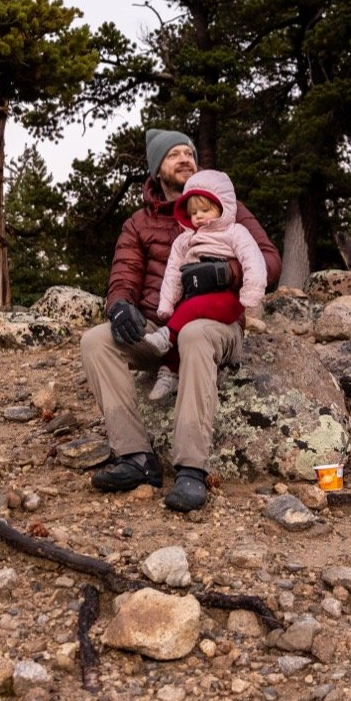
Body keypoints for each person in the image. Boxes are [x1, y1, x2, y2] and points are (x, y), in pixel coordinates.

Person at [79, 129, 280, 511]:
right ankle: (136, 458)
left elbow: (269, 260)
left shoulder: (227, 208)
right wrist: (120, 305)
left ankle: (191, 469)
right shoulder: (139, 224)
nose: (185, 158)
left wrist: (226, 273)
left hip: (217, 323)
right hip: (159, 328)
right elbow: (124, 276)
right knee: (96, 341)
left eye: (189, 151)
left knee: (194, 334)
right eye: (174, 154)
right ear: (157, 169)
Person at [147, 169, 267, 404]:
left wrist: (251, 292)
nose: (199, 217)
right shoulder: (184, 240)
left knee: (186, 317)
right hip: (192, 295)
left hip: (226, 298)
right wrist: (166, 304)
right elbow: (172, 273)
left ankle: (166, 335)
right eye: (193, 213)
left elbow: (254, 259)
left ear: (223, 207)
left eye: (205, 210)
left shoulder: (235, 233)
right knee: (186, 315)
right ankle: (169, 372)